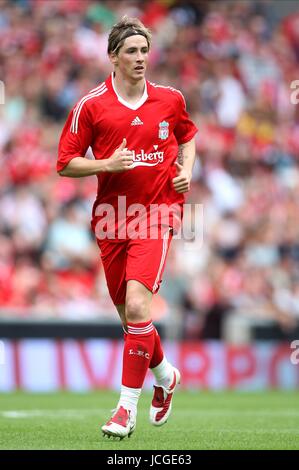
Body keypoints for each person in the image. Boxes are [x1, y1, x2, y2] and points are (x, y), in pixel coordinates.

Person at [57, 16, 198, 439]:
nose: (140, 58)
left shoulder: (170, 99)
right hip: (111, 218)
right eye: (131, 51)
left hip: (157, 215)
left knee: (139, 309)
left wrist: (185, 171)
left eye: (144, 51)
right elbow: (65, 163)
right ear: (113, 57)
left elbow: (188, 136)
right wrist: (107, 164)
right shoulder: (92, 105)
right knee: (129, 317)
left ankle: (124, 409)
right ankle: (166, 375)